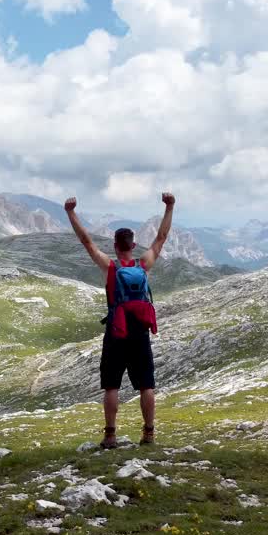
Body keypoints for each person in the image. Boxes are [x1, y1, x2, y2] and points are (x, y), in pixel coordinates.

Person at [64, 191, 175, 448]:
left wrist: (70, 212)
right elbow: (161, 237)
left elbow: (86, 242)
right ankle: (148, 433)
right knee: (146, 385)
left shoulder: (110, 267)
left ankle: (110, 435)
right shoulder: (143, 264)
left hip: (116, 331)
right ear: (133, 246)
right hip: (139, 332)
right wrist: (170, 207)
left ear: (115, 246)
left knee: (112, 386)